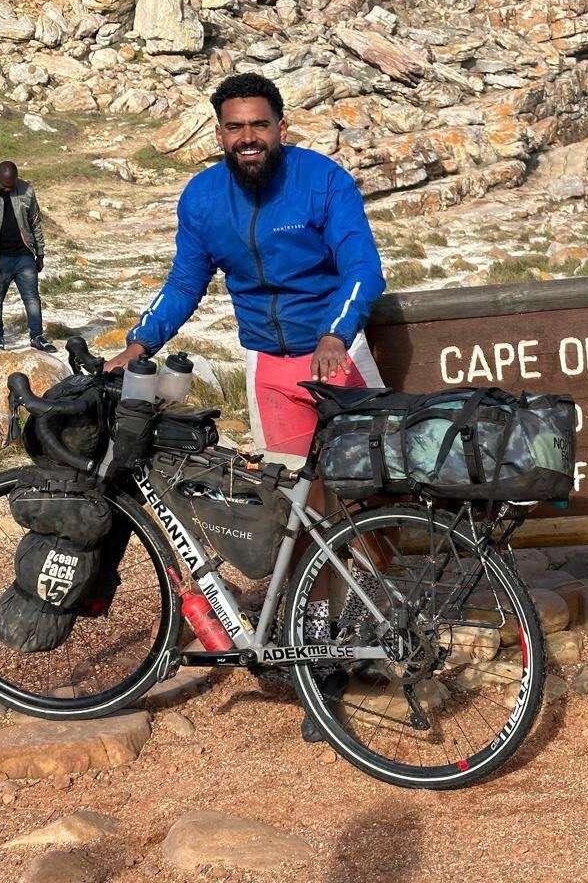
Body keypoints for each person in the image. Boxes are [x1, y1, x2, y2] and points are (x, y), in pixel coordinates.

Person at [104, 73, 387, 741]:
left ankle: (379, 623)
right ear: (221, 134)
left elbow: (363, 267)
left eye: (259, 125)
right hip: (268, 365)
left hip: (336, 355)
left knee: (362, 502)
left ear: (280, 126)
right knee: (295, 513)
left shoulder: (321, 181)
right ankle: (321, 654)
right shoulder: (204, 199)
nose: (248, 138)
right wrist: (139, 343)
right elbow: (185, 281)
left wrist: (334, 335)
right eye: (235, 127)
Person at [0, 160, 56, 352]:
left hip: (24, 254)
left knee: (32, 297)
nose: (8, 189)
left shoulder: (26, 190)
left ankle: (37, 336)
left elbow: (35, 223)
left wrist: (40, 253)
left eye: (11, 185)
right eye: (3, 186)